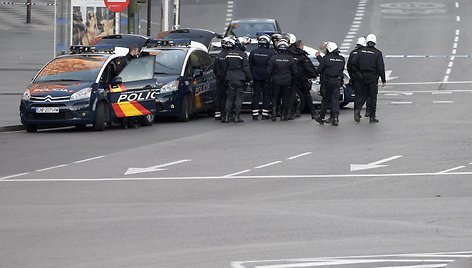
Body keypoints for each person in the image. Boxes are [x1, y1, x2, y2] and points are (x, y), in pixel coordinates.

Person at [354, 33, 386, 123]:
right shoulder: (377, 53)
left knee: (362, 95)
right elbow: (380, 67)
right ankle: (372, 117)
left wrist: (358, 73)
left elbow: (354, 63)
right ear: (375, 43)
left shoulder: (360, 52)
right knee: (372, 97)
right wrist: (383, 80)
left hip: (362, 77)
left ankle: (358, 110)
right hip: (372, 77)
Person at [222, 38, 253, 123]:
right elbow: (246, 69)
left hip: (230, 78)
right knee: (239, 98)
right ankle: (237, 117)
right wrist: (250, 79)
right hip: (240, 78)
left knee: (229, 98)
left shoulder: (228, 54)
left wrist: (226, 76)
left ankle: (227, 117)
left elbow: (224, 67)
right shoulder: (242, 55)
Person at [314, 42, 345, 126]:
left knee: (325, 100)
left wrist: (319, 57)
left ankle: (321, 117)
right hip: (337, 81)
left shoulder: (326, 58)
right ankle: (335, 117)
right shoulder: (341, 59)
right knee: (335, 100)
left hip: (328, 82)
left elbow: (320, 70)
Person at [288, 39, 319, 119]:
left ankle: (294, 112)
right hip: (302, 78)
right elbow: (308, 67)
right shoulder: (302, 55)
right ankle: (313, 113)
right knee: (307, 96)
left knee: (292, 95)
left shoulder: (289, 53)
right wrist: (314, 75)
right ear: (301, 46)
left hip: (292, 78)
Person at [267, 40, 297, 121]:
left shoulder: (273, 58)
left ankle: (274, 113)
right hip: (287, 81)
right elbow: (295, 71)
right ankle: (283, 114)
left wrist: (270, 78)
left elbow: (268, 71)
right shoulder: (290, 58)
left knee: (275, 96)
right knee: (285, 97)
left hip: (276, 80)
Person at [249, 34, 274, 120]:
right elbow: (272, 66)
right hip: (267, 77)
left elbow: (250, 65)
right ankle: (265, 114)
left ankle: (255, 114)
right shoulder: (270, 53)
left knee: (256, 95)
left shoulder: (253, 52)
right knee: (266, 95)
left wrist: (250, 77)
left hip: (256, 77)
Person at [348, 36, 366, 123]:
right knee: (365, 94)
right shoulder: (363, 53)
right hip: (363, 77)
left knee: (357, 95)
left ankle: (356, 111)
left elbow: (349, 66)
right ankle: (359, 110)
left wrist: (352, 76)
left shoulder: (352, 53)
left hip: (354, 77)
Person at [213, 37, 231, 121]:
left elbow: (214, 68)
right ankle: (224, 113)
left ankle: (217, 114)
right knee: (225, 96)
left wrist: (218, 75)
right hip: (226, 78)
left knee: (218, 96)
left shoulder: (218, 55)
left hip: (219, 78)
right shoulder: (229, 56)